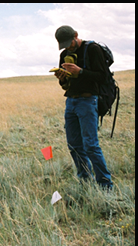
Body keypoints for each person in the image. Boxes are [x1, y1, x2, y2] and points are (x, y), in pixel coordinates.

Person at [54, 25, 113, 190]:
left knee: (91, 145)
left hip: (88, 102)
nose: (67, 47)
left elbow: (102, 77)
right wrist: (62, 78)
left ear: (76, 35)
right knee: (74, 145)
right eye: (64, 45)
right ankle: (85, 181)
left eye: (69, 43)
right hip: (71, 102)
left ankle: (105, 185)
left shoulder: (93, 49)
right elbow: (66, 87)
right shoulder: (64, 55)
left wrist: (80, 71)